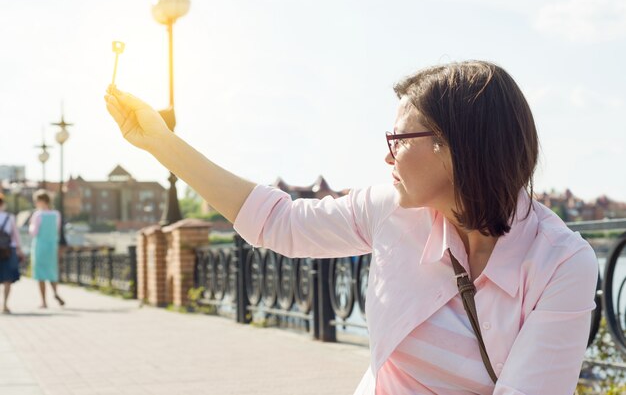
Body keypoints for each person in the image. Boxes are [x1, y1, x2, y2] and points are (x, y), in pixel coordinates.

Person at [104, 60, 598, 394]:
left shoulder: (562, 263)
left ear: (453, 147)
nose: (386, 155)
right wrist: (160, 144)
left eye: (399, 138)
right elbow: (279, 223)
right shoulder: (393, 208)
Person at [29, 190, 65, 308]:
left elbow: (34, 232)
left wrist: (31, 226)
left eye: (36, 201)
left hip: (40, 245)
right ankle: (55, 292)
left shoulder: (38, 215)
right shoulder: (56, 214)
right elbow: (58, 230)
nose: (35, 203)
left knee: (40, 274)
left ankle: (43, 301)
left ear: (41, 201)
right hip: (52, 246)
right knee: (52, 272)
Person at [0, 193, 25, 314]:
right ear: (3, 204)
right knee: (7, 279)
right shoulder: (9, 218)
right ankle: (4, 304)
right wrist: (19, 250)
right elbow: (15, 236)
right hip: (8, 251)